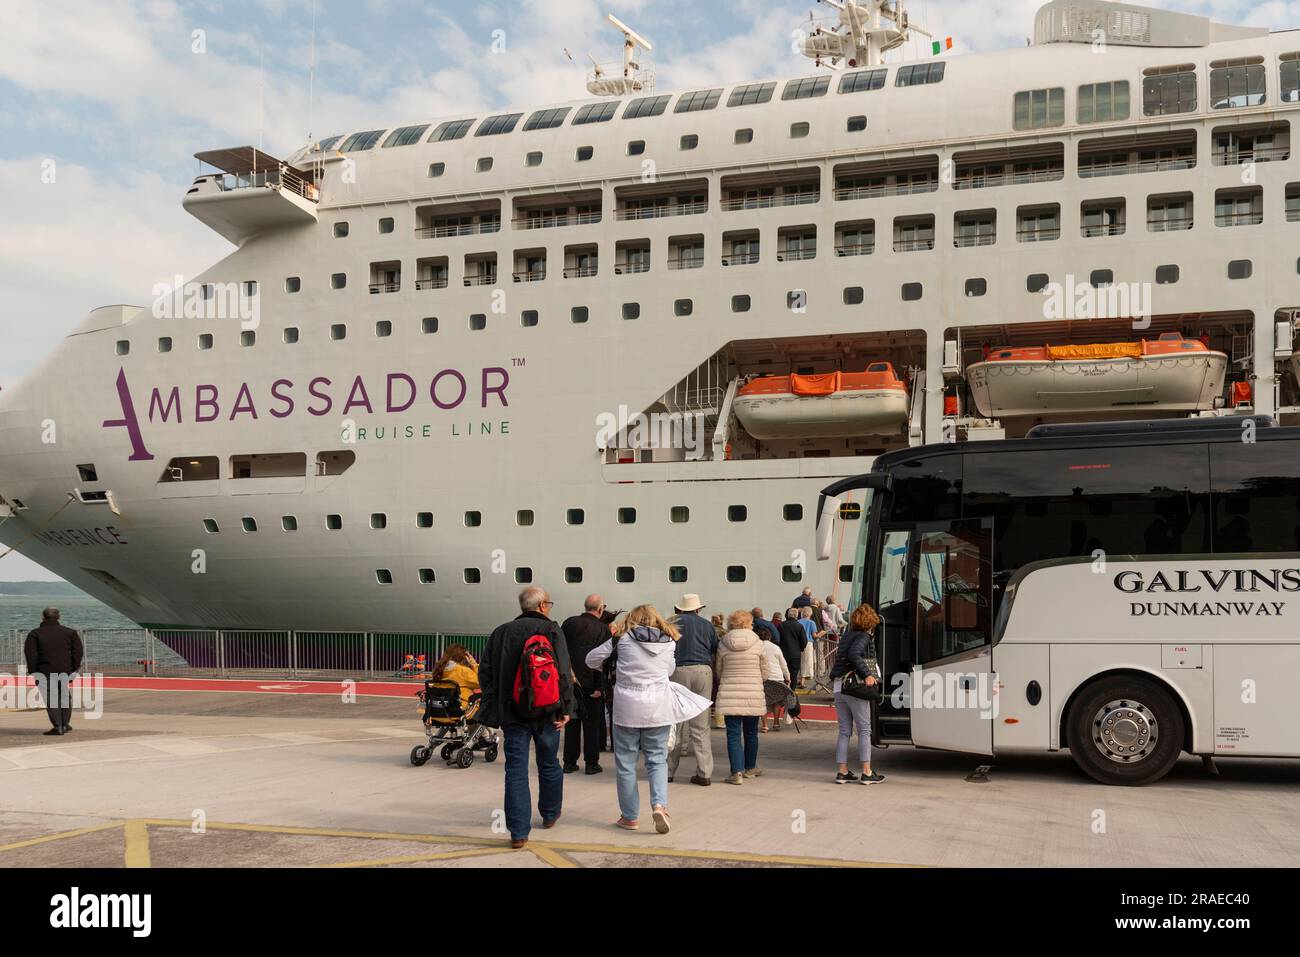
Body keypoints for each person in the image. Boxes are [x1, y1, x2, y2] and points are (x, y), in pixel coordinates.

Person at [586, 605, 711, 833]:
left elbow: (590, 659)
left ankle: (630, 817)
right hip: (658, 707)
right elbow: (670, 669)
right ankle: (659, 806)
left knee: (626, 764)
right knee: (657, 760)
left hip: (627, 709)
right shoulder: (669, 642)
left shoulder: (621, 641)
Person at [479, 587, 576, 849]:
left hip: (513, 713)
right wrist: (567, 708)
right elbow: (564, 673)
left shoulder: (501, 632)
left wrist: (497, 702)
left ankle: (519, 833)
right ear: (542, 605)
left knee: (515, 770)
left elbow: (485, 672)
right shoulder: (553, 630)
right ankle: (550, 814)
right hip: (548, 710)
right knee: (548, 763)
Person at [829, 603, 886, 785]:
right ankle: (867, 772)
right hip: (855, 688)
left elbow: (845, 656)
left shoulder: (846, 636)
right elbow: (855, 655)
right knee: (864, 730)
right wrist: (867, 675)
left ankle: (842, 771)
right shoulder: (863, 636)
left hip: (840, 686)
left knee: (845, 730)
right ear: (870, 621)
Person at [667, 593, 717, 786]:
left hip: (678, 670)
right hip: (703, 670)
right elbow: (714, 649)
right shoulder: (707, 625)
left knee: (676, 723)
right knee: (701, 725)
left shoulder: (672, 622)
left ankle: (668, 771)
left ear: (680, 608)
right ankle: (704, 773)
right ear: (698, 609)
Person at [714, 610, 767, 784]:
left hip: (730, 692)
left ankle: (736, 772)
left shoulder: (723, 643)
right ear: (749, 623)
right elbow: (764, 669)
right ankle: (750, 768)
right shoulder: (757, 642)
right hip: (752, 691)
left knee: (733, 734)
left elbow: (719, 670)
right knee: (751, 732)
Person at [561, 595, 611, 775]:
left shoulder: (569, 624)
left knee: (572, 724)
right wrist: (599, 687)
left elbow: (562, 651)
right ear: (600, 609)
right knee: (591, 726)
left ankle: (569, 762)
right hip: (591, 684)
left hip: (570, 682)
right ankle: (591, 763)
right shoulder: (603, 629)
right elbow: (602, 661)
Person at [23, 608, 84, 736]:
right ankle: (65, 724)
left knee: (52, 698)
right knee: (65, 696)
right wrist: (73, 668)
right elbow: (78, 652)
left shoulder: (35, 634)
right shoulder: (70, 632)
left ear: (43, 617)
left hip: (44, 670)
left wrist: (34, 672)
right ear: (58, 617)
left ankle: (58, 726)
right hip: (65, 670)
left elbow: (31, 655)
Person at [756, 626, 791, 733]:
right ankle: (776, 723)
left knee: (763, 702)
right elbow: (783, 664)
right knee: (777, 701)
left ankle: (765, 725)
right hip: (777, 677)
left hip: (763, 678)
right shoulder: (776, 647)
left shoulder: (757, 647)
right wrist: (788, 677)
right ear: (770, 637)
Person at [429, 644, 480, 711]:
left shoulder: (439, 670)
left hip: (437, 712)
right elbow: (480, 683)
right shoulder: (463, 671)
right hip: (459, 712)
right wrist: (474, 665)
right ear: (463, 656)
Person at [777, 609, 807, 696]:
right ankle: (792, 691)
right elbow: (804, 641)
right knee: (794, 673)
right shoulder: (799, 626)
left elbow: (777, 638)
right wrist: (800, 648)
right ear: (797, 615)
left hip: (783, 652)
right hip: (795, 653)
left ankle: (784, 689)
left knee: (783, 672)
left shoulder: (781, 625)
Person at [798, 606, 821, 687]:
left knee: (800, 660)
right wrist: (820, 634)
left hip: (798, 643)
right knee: (806, 661)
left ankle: (800, 678)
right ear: (810, 613)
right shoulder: (812, 623)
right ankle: (803, 680)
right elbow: (814, 635)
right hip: (808, 643)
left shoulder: (798, 622)